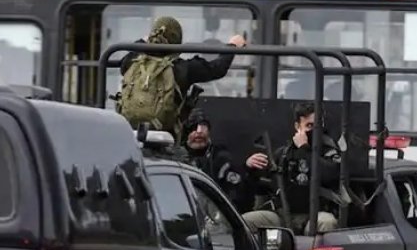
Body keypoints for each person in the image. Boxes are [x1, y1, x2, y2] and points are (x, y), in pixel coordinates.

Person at [115, 16, 246, 138]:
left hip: (129, 133)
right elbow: (218, 69)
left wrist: (144, 41)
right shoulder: (183, 68)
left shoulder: (132, 60)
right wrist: (232, 45)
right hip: (166, 136)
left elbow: (126, 60)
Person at [242, 103, 341, 235]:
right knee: (243, 222)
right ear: (297, 127)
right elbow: (262, 185)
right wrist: (250, 168)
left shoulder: (329, 151)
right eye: (309, 126)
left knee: (327, 222)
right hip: (282, 215)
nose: (314, 131)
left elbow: (330, 175)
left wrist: (304, 150)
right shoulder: (283, 153)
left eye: (317, 126)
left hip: (314, 215)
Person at [181, 110, 254, 210]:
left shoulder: (220, 158)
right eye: (193, 127)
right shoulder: (175, 157)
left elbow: (237, 198)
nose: (199, 131)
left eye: (203, 126)